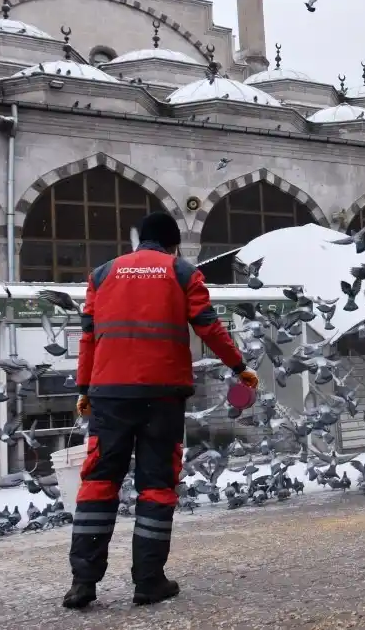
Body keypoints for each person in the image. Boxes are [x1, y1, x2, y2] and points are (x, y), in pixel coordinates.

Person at [63, 211, 258, 610]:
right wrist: (239, 367)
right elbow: (209, 327)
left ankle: (83, 584)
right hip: (162, 396)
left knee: (99, 482)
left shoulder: (101, 274)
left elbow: (87, 337)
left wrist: (84, 388)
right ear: (172, 244)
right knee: (156, 486)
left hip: (109, 395)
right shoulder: (182, 271)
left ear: (139, 241)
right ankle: (148, 581)